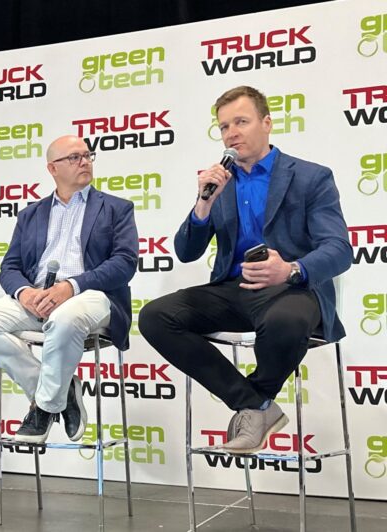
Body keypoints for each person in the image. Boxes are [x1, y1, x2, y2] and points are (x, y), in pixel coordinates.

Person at [139, 86, 352, 454]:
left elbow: (339, 249)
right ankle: (255, 404)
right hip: (233, 289)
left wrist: (290, 269)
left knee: (286, 320)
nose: (231, 133)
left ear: (266, 123)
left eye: (241, 121)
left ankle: (256, 403)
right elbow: (185, 252)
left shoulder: (311, 177)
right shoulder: (219, 182)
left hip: (292, 288)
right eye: (224, 127)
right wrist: (203, 205)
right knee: (155, 317)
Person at [0, 135, 138, 444]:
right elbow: (10, 267)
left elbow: (124, 264)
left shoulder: (116, 208)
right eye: (74, 157)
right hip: (38, 298)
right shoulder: (31, 214)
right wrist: (25, 294)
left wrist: (71, 286)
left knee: (65, 318)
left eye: (87, 155)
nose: (84, 161)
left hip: (93, 296)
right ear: (52, 168)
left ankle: (43, 408)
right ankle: (62, 389)